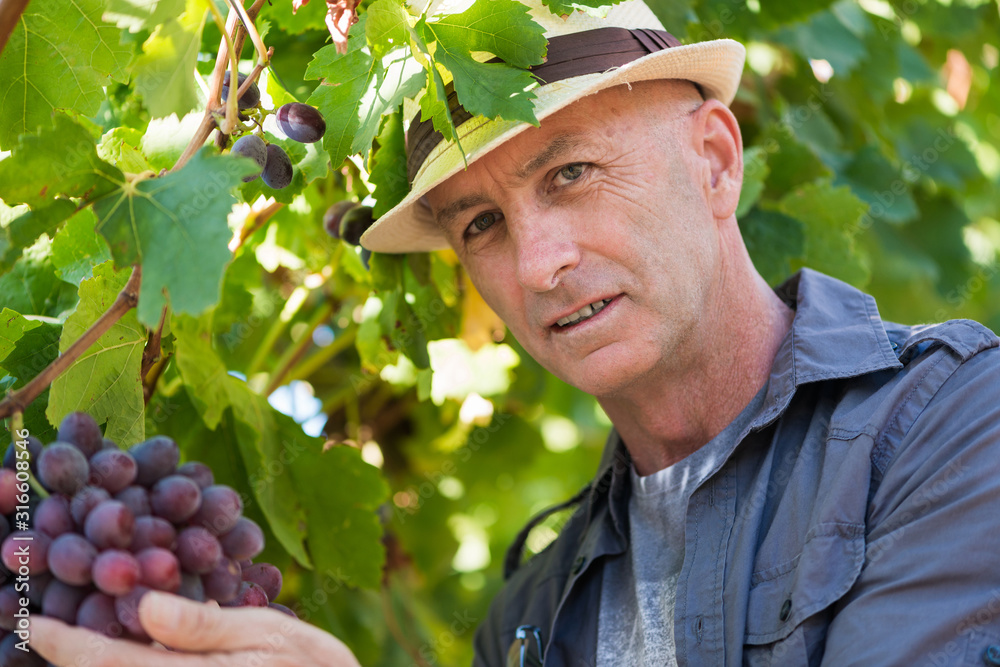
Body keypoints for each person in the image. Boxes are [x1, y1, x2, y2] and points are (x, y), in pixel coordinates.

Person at [30, 1, 1000, 666]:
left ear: (712, 160)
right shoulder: (532, 616)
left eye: (571, 172)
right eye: (481, 225)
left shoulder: (955, 425)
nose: (538, 265)